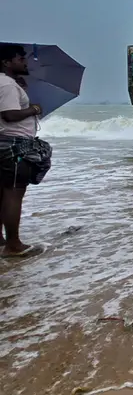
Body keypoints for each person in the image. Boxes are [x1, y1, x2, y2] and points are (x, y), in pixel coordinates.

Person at [0, 44, 51, 258]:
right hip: (13, 145)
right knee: (14, 192)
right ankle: (13, 245)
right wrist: (34, 109)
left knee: (2, 192)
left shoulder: (7, 84)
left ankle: (3, 240)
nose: (25, 62)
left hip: (4, 142)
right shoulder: (7, 85)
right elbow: (9, 115)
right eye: (21, 58)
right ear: (7, 62)